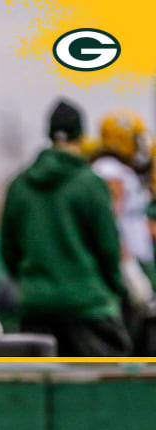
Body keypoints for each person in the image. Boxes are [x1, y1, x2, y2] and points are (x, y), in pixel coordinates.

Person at [0, 100, 130, 356]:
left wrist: (32, 284)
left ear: (49, 134)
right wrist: (115, 289)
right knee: (99, 392)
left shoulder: (20, 185)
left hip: (36, 308)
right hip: (89, 307)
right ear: (81, 136)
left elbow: (8, 249)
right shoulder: (91, 184)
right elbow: (108, 247)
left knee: (40, 393)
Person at [92, 109, 155, 351]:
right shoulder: (111, 171)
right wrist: (128, 267)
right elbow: (112, 220)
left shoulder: (120, 171)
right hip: (125, 270)